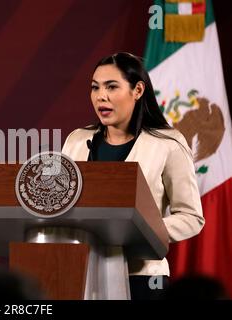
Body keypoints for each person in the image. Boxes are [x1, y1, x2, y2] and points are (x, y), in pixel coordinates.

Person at [61, 52, 205, 300]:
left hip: (144, 278)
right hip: (81, 272)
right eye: (95, 87)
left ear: (138, 90)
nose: (100, 96)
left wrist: (140, 229)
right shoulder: (77, 140)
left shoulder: (168, 143)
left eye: (111, 86)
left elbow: (191, 217)